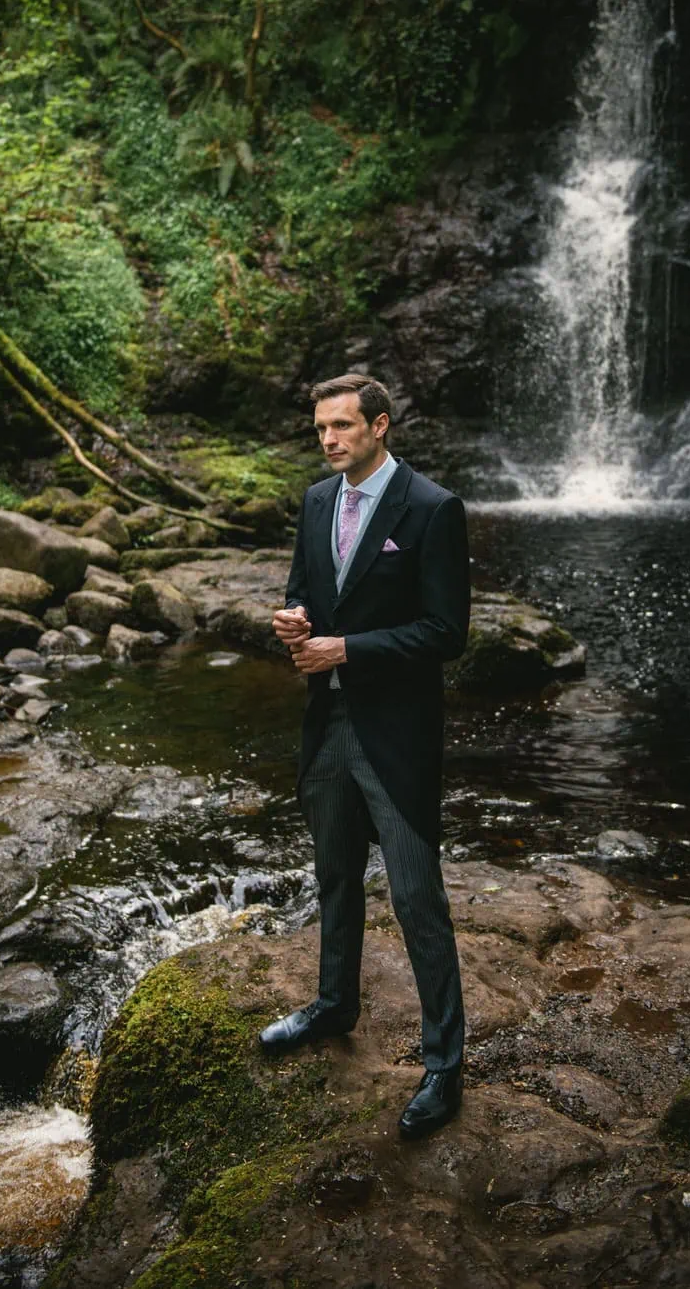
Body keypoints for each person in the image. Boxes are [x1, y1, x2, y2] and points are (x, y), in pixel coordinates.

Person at [259, 372, 470, 1140]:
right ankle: (332, 1005)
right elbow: (305, 590)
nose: (328, 440)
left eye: (343, 426)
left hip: (397, 734)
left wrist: (346, 646)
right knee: (335, 874)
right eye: (320, 428)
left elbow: (448, 633)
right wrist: (295, 621)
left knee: (418, 899)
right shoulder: (317, 502)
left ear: (380, 426)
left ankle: (444, 1063)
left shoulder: (432, 508)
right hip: (327, 726)